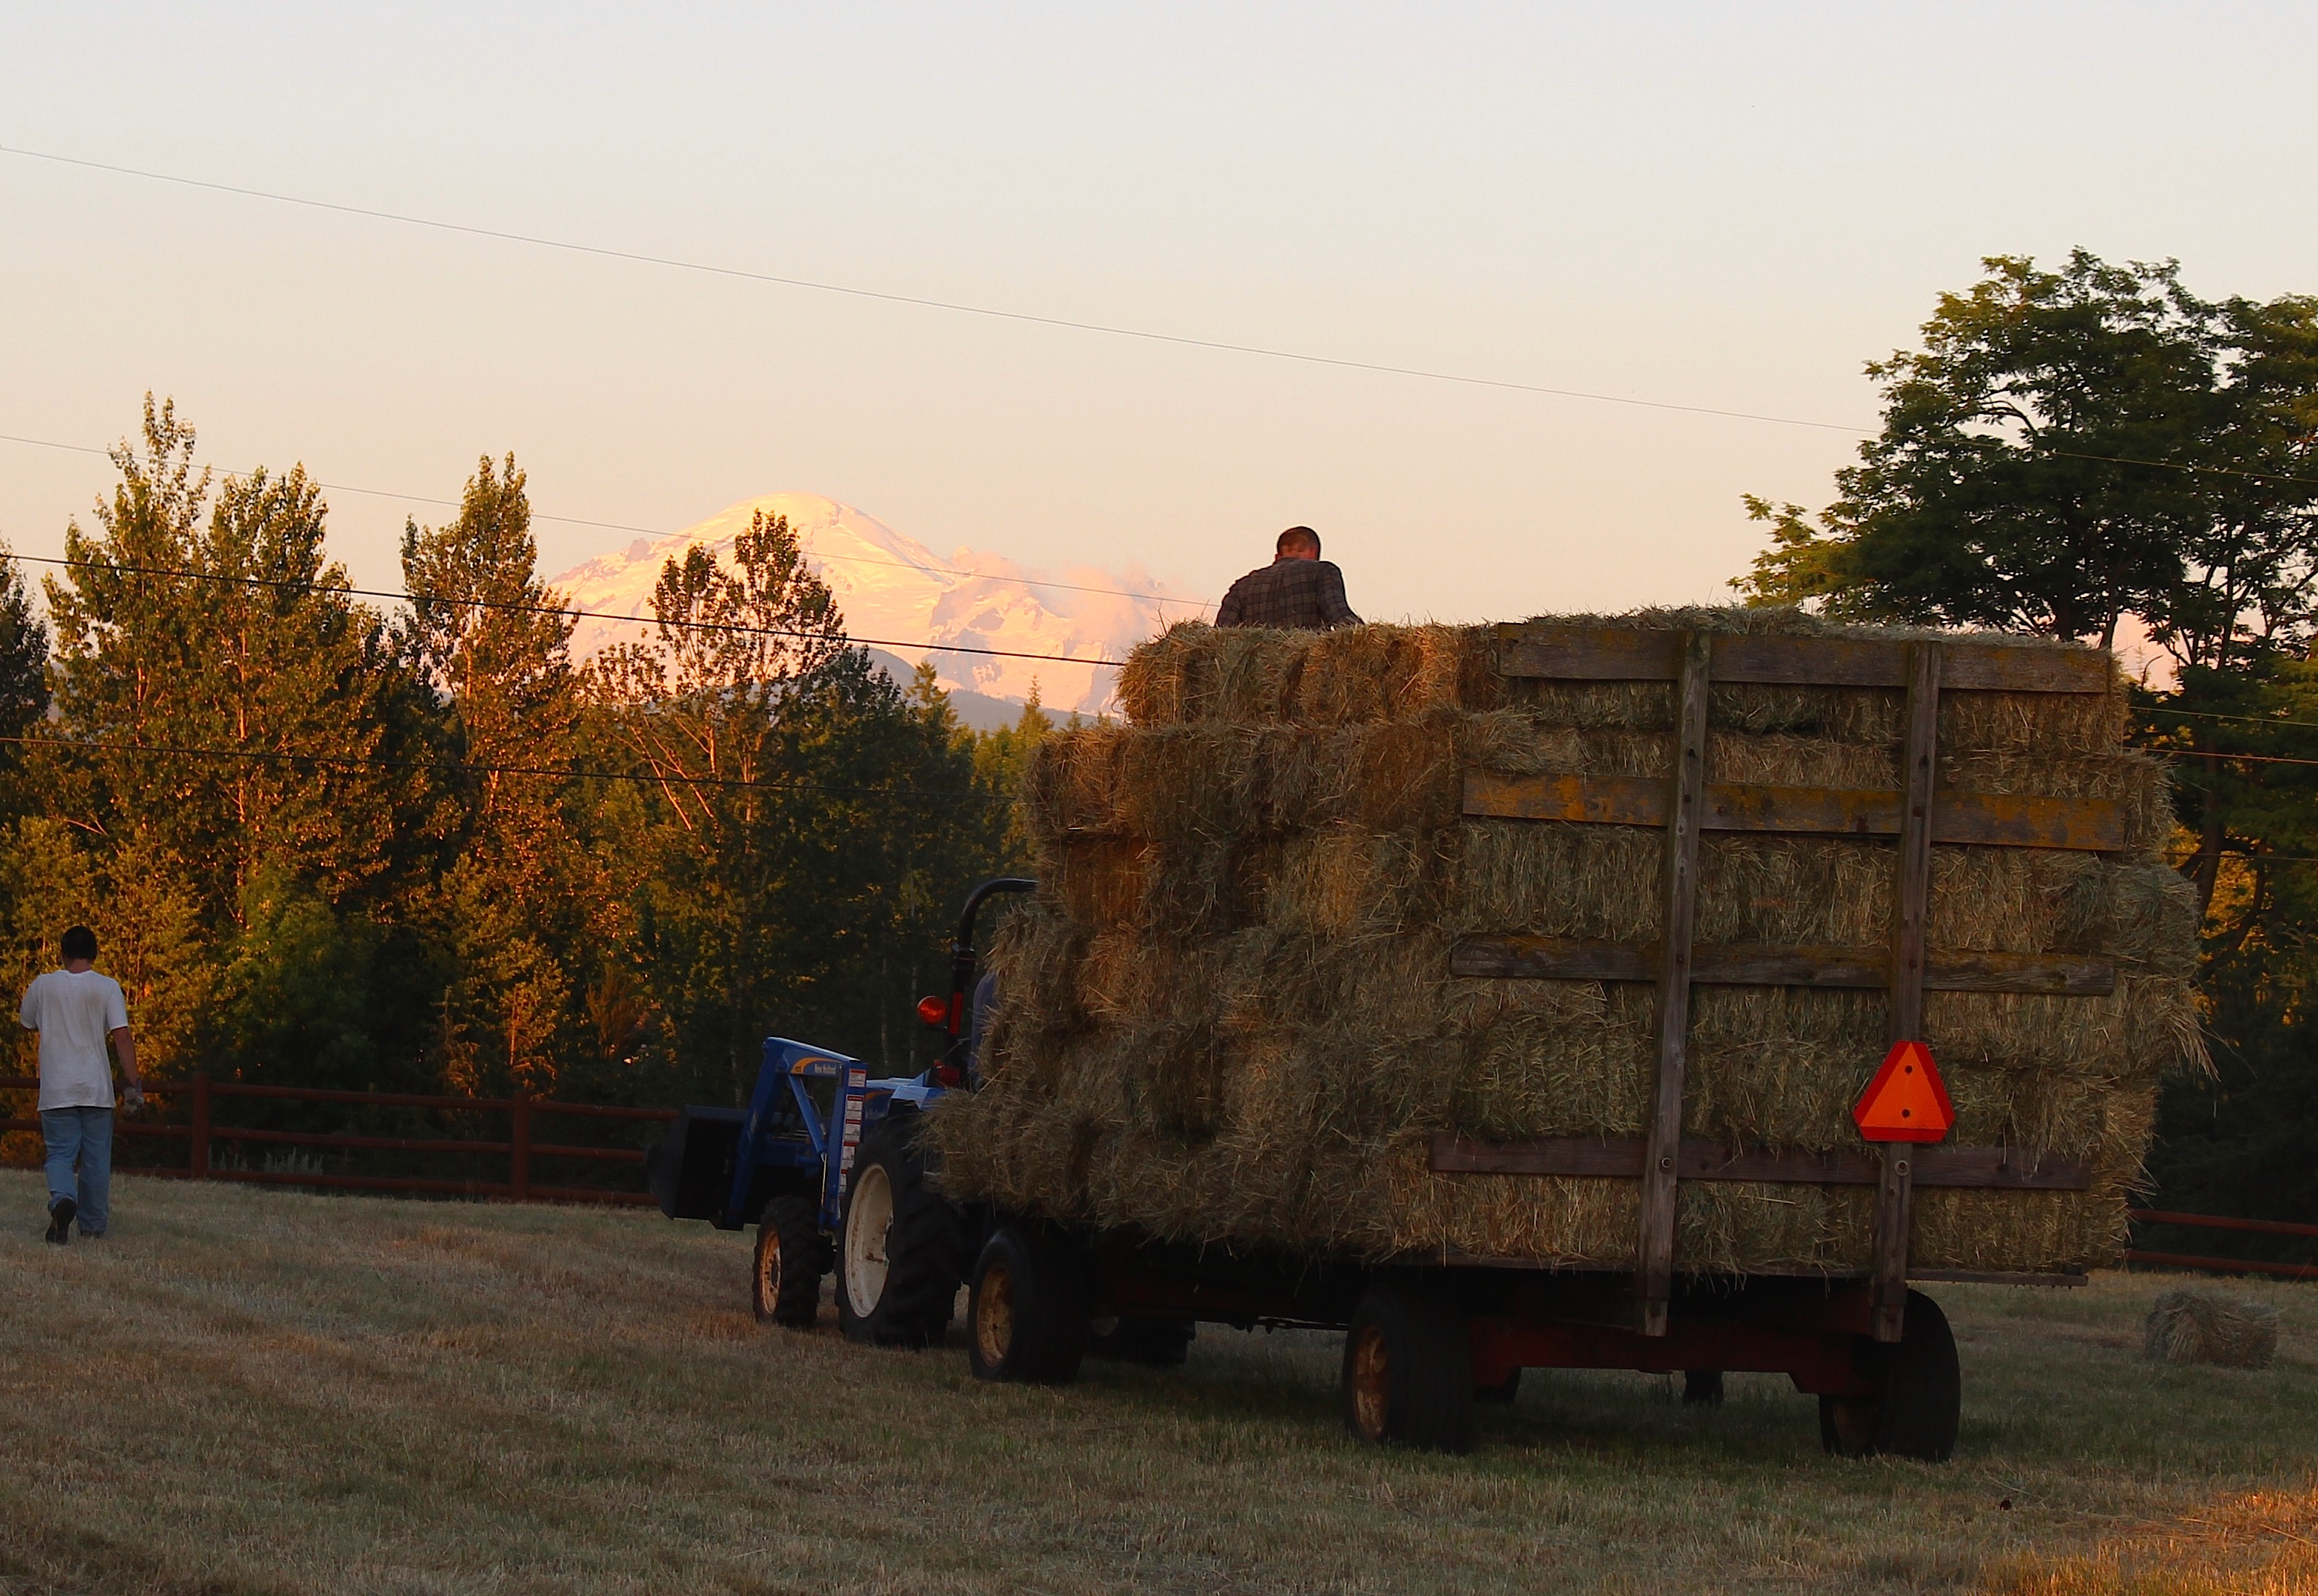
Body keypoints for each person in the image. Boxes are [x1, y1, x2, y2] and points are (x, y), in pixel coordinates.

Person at [22, 925, 140, 1245]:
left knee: (60, 1154)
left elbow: (28, 1021)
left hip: (57, 1088)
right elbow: (122, 1036)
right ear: (95, 953)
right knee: (96, 1159)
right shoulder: (107, 987)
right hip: (96, 1088)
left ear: (61, 953)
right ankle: (92, 1226)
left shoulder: (43, 985)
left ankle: (62, 1199)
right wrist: (133, 1083)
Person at [1214, 526, 1362, 631]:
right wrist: (1377, 642)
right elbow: (1340, 618)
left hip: (1261, 672)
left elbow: (1221, 637)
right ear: (1313, 552)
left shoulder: (1242, 586)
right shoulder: (1322, 571)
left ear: (1277, 556)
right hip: (1307, 669)